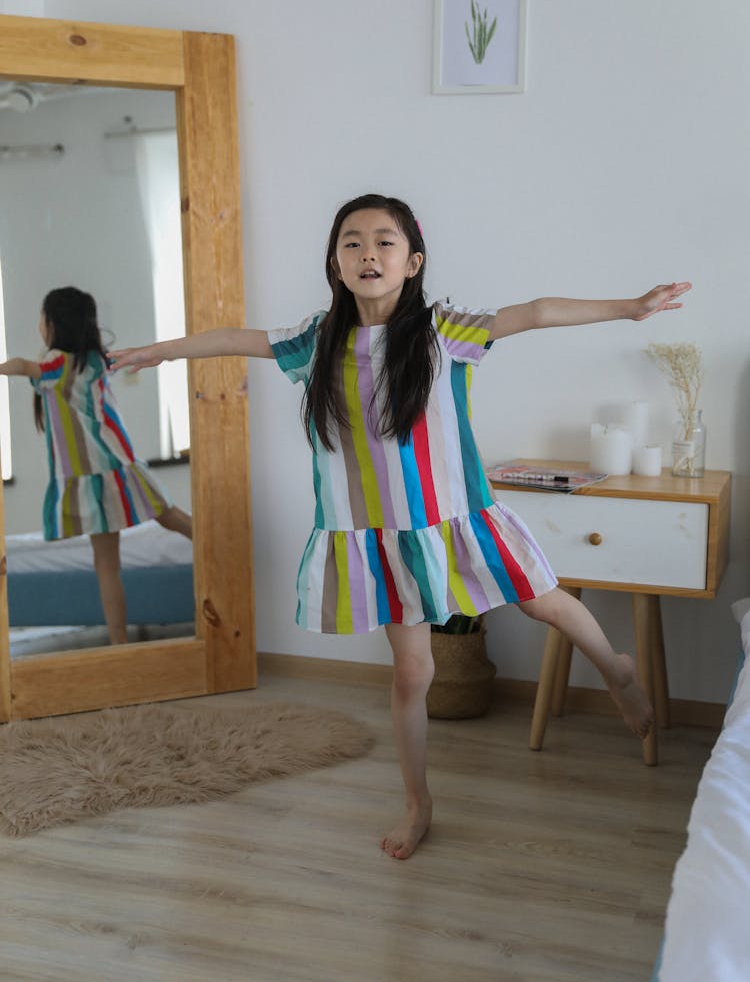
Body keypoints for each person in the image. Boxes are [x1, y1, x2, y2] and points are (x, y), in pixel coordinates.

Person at [109, 194, 691, 859]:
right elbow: (235, 338)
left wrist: (631, 306)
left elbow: (535, 312)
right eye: (352, 242)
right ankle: (419, 803)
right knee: (412, 673)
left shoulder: (444, 331)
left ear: (412, 261)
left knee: (545, 603)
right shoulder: (317, 340)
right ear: (334, 261)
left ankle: (615, 669)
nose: (368, 253)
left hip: (457, 520)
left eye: (385, 241)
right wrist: (160, 352)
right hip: (381, 538)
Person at [0, 286, 192, 645]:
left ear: (52, 324)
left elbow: (23, 365)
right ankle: (219, 541)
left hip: (92, 474)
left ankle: (120, 644)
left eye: (42, 318)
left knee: (108, 564)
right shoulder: (96, 360)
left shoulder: (56, 363)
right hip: (118, 464)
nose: (39, 325)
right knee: (169, 517)